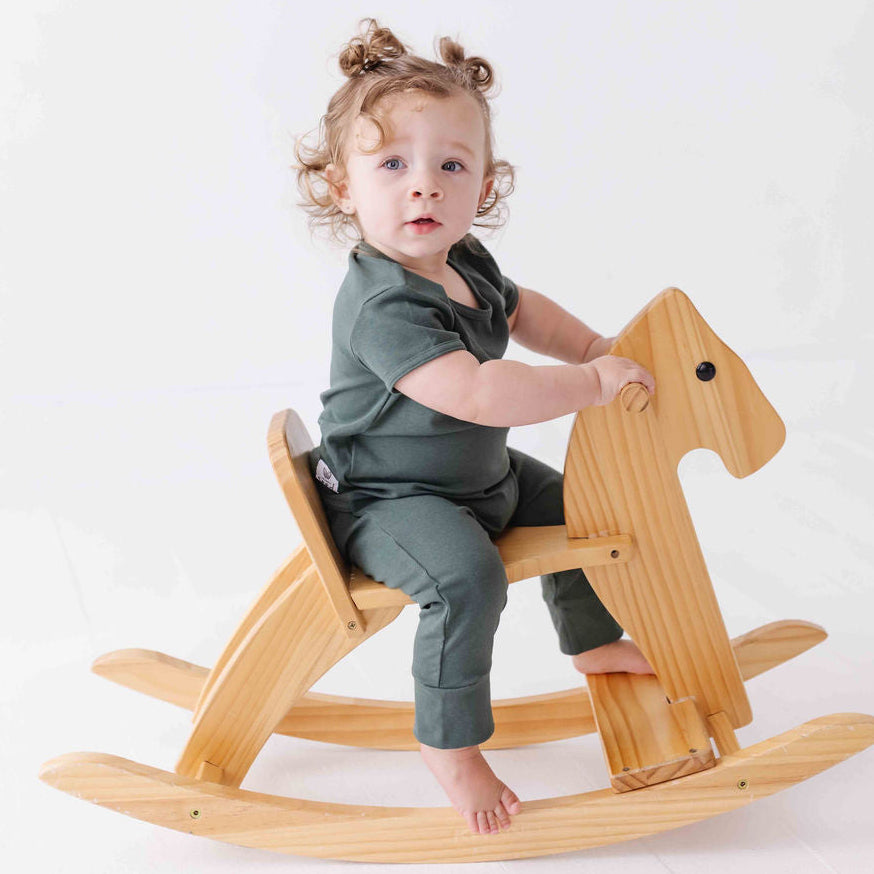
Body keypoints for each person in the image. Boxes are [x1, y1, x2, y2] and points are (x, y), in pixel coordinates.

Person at [295, 19, 655, 837]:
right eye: (392, 165)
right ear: (341, 187)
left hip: (475, 480)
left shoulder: (465, 261)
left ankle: (592, 641)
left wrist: (596, 345)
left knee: (582, 507)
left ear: (483, 186)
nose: (423, 186)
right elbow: (479, 393)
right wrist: (589, 384)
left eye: (450, 165)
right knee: (466, 582)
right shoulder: (384, 303)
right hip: (388, 500)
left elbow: (528, 314)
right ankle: (449, 746)